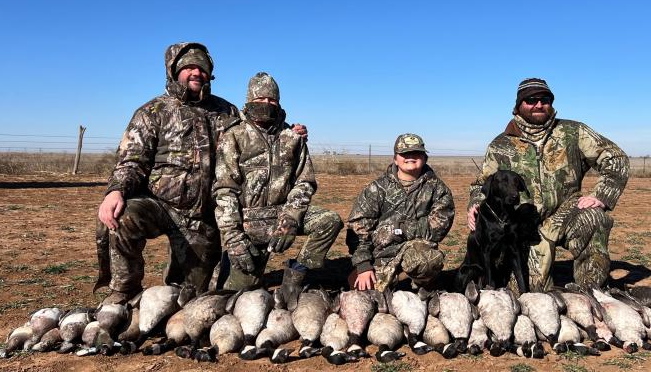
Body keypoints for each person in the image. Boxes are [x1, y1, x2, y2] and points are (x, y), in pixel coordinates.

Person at [94, 42, 239, 305]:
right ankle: (124, 290)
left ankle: (176, 287)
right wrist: (116, 191)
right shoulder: (153, 111)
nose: (196, 72)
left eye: (202, 68)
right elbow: (132, 160)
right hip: (159, 205)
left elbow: (254, 139)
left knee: (189, 298)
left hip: (203, 215)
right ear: (174, 72)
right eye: (189, 67)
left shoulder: (227, 112)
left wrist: (289, 132)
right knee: (122, 216)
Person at [468, 78, 629, 291]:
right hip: (523, 225)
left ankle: (592, 291)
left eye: (544, 99)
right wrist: (476, 203)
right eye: (530, 100)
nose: (538, 104)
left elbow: (615, 158)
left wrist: (602, 195)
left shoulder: (573, 132)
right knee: (530, 292)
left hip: (566, 213)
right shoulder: (501, 144)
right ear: (518, 106)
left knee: (594, 217)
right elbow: (483, 182)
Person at [213, 72, 343, 308]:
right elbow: (225, 191)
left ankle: (294, 279)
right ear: (250, 100)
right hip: (248, 222)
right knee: (231, 299)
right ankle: (230, 266)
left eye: (272, 100)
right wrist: (234, 239)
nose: (267, 104)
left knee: (329, 221)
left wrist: (291, 218)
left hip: (283, 215)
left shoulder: (291, 137)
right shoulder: (234, 135)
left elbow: (305, 182)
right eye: (261, 99)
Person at [347, 133, 455, 292]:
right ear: (395, 159)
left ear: (424, 158)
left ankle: (423, 285)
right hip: (380, 255)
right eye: (404, 153)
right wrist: (363, 265)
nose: (410, 157)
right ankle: (395, 280)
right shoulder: (376, 189)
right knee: (360, 289)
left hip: (416, 253)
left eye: (416, 153)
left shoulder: (438, 189)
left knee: (426, 260)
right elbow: (358, 229)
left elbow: (437, 230)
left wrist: (397, 230)